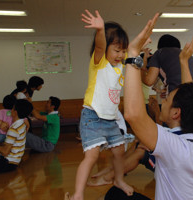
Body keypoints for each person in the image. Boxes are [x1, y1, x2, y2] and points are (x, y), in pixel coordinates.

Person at [124, 13, 193, 200]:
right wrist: (183, 62)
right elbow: (188, 99)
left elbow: (134, 115)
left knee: (115, 195)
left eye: (166, 99)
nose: (163, 100)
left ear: (176, 113)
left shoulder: (174, 147)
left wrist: (133, 55)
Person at [65, 9, 133, 200]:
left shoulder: (120, 66)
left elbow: (130, 53)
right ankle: (78, 194)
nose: (120, 54)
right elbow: (101, 46)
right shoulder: (99, 62)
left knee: (120, 152)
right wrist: (100, 30)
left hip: (111, 119)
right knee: (92, 156)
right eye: (116, 50)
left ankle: (118, 180)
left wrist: (141, 47)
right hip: (92, 117)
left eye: (122, 50)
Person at [0, 99, 33, 173]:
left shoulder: (14, 129)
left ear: (15, 112)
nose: (10, 110)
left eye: (12, 108)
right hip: (15, 160)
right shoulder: (22, 123)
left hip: (8, 162)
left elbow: (5, 152)